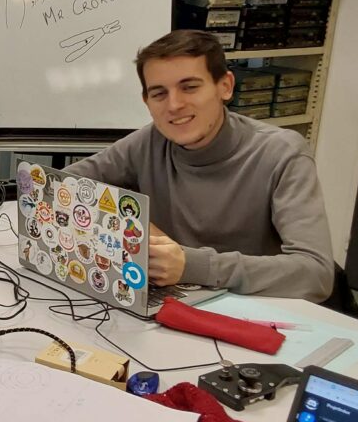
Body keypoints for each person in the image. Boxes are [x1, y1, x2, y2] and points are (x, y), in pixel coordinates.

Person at [64, 29, 334, 301]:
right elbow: (58, 185)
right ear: (147, 102)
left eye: (190, 87)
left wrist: (191, 265)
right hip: (172, 301)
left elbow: (316, 273)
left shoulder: (282, 153)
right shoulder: (148, 142)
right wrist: (136, 226)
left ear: (225, 86)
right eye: (159, 93)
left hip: (252, 307)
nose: (174, 105)